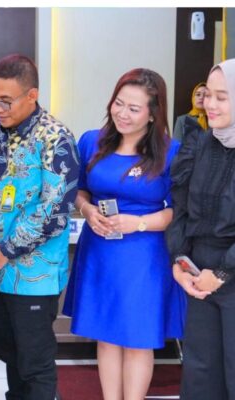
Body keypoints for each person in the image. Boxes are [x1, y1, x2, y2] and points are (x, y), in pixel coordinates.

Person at [62, 68, 186, 400]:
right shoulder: (92, 141)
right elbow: (79, 190)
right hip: (99, 250)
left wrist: (138, 223)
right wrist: (87, 210)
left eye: (134, 108)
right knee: (106, 335)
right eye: (119, 103)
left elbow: (179, 211)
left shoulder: (171, 151)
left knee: (137, 338)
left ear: (152, 114)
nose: (123, 113)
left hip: (144, 255)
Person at [0, 53, 79, 400]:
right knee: (7, 349)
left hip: (33, 275)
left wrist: (7, 250)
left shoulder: (56, 138)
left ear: (32, 95)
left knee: (34, 362)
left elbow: (54, 210)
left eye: (6, 101)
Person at [166, 59, 235, 400]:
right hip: (199, 275)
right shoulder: (199, 144)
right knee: (200, 372)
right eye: (208, 94)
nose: (210, 104)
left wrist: (222, 272)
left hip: (229, 270)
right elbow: (180, 206)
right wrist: (180, 259)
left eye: (223, 97)